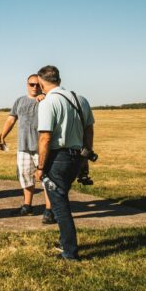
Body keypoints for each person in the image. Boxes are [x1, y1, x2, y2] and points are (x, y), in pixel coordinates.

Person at [34, 65, 95, 262]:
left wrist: (40, 167)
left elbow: (45, 137)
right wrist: (85, 159)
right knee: (61, 199)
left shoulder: (48, 103)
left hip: (58, 158)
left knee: (59, 205)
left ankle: (69, 251)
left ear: (42, 82)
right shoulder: (80, 99)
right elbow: (89, 131)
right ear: (58, 79)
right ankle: (65, 242)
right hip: (77, 156)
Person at [0, 73, 55, 222]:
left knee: (46, 178)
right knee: (25, 177)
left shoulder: (46, 100)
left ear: (42, 85)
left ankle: (49, 210)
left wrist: (45, 97)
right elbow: (11, 119)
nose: (35, 87)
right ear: (27, 85)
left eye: (38, 84)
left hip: (41, 147)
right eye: (31, 84)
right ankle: (27, 206)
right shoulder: (19, 101)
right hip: (23, 147)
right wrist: (2, 135)